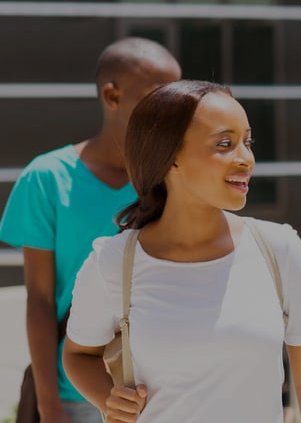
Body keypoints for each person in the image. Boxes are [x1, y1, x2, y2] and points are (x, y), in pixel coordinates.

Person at [61, 80, 301, 423]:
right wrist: (109, 399)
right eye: (225, 144)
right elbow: (78, 355)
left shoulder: (280, 250)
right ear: (170, 157)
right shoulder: (113, 262)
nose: (246, 159)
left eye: (247, 142)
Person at [0, 38, 180, 422]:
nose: (169, 109)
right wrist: (49, 404)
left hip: (164, 389)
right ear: (112, 96)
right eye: (156, 96)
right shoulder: (47, 178)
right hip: (76, 393)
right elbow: (40, 300)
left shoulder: (175, 177)